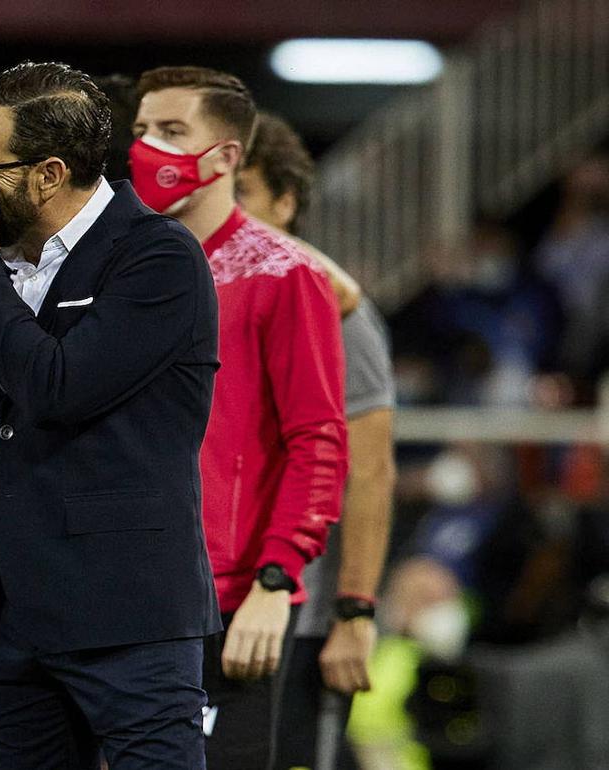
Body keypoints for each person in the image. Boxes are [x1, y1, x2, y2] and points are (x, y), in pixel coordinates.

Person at [0, 61, 222, 770]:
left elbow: (58, 387)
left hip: (128, 619)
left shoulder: (158, 257)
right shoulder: (5, 269)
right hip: (12, 622)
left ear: (48, 174)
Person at [131, 66, 348, 769]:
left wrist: (275, 583)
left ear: (226, 155)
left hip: (226, 600)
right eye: (142, 130)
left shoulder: (285, 275)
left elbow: (318, 441)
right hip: (118, 592)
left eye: (172, 131)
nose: (149, 148)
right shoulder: (116, 272)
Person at [236, 111, 397, 769]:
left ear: (285, 202)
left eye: (241, 191)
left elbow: (371, 471)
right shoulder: (202, 304)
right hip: (209, 605)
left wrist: (353, 612)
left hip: (299, 619)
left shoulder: (340, 312)